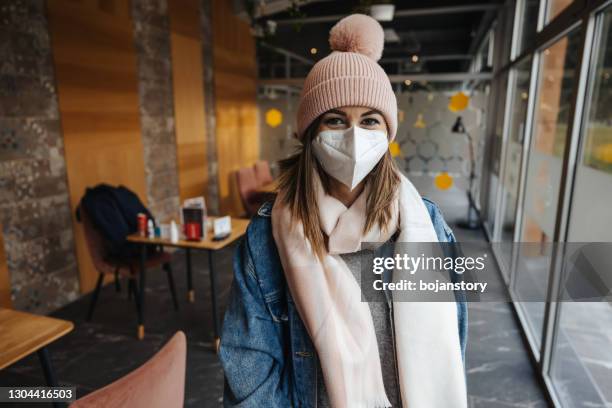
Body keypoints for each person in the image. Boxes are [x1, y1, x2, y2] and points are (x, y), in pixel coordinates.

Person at [219, 14, 467, 408]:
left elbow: (450, 338)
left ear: (387, 134)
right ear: (310, 134)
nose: (354, 136)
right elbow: (251, 366)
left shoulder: (424, 223)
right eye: (335, 120)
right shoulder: (268, 236)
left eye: (369, 121)